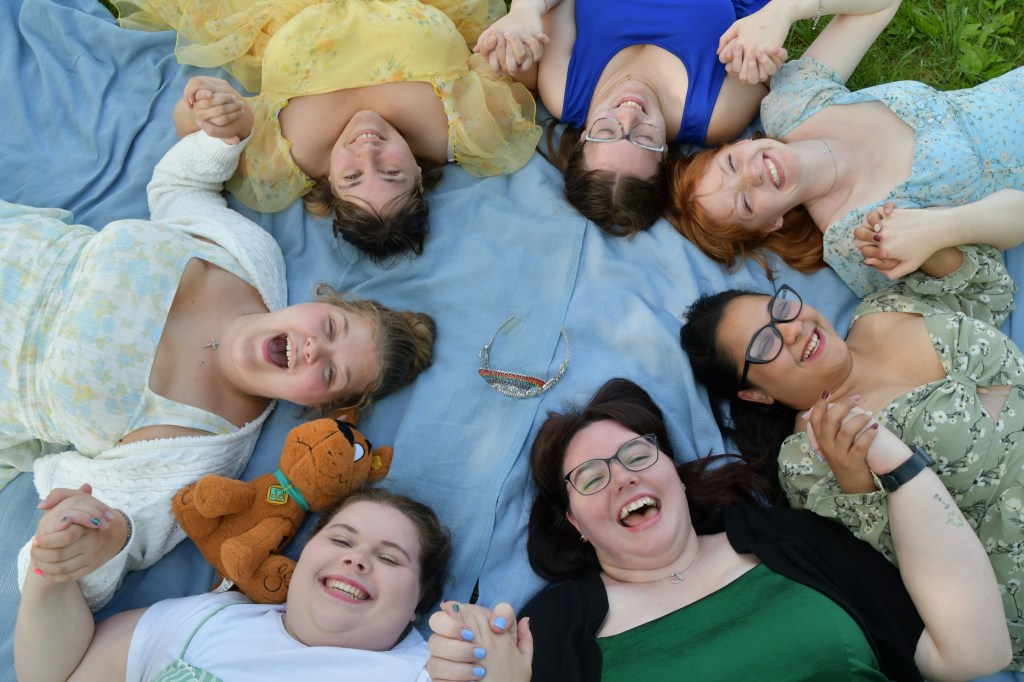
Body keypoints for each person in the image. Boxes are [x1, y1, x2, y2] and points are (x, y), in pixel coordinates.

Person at [2, 125, 436, 611]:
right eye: (332, 327)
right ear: (321, 302)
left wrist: (89, 539)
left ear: (323, 404)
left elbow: (104, 544)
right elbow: (178, 188)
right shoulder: (250, 257)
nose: (316, 348)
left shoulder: (199, 451)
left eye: (332, 373)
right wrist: (220, 136)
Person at [423, 378, 1009, 681]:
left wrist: (893, 460)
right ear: (575, 522)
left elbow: (974, 653)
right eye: (591, 478)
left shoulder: (792, 539)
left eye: (637, 455)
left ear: (675, 475)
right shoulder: (551, 629)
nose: (623, 478)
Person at [680, 238, 1024, 670]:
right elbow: (892, 581)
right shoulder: (810, 460)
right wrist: (856, 483)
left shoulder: (884, 307)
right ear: (756, 394)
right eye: (765, 344)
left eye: (779, 309)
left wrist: (924, 240)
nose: (791, 329)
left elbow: (993, 291)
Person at [116, 0, 541, 262]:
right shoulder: (469, 127)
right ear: (418, 177)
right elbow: (521, 62)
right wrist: (515, 42)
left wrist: (211, 109)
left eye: (352, 177)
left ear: (331, 185)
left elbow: (191, 132)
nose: (367, 152)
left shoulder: (282, 161)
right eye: (390, 172)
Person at [667, 0, 1024, 297]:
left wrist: (782, 11)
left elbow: (881, 4)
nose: (752, 174)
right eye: (745, 202)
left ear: (739, 144)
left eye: (731, 164)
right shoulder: (858, 239)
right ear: (769, 226)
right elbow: (991, 290)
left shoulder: (792, 105)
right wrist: (941, 231)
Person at [472, 0, 901, 236]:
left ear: (583, 137)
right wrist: (775, 21)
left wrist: (526, 11)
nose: (629, 114)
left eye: (607, 131)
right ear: (665, 154)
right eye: (644, 139)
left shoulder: (565, 90)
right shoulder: (715, 112)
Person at [15, 486, 451, 681]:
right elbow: (56, 676)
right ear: (302, 557)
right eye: (340, 540)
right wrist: (51, 568)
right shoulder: (206, 620)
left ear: (421, 601)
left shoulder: (439, 673)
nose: (355, 558)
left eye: (389, 558)